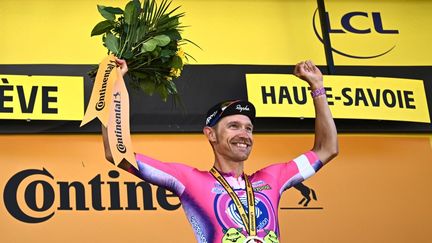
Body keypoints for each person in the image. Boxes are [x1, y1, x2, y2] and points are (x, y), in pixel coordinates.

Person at [102, 59, 338, 243]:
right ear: (210, 134)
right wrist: (115, 86)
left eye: (248, 128)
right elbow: (118, 154)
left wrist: (317, 87)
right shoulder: (190, 181)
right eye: (233, 126)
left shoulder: (272, 178)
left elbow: (327, 149)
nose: (244, 134)